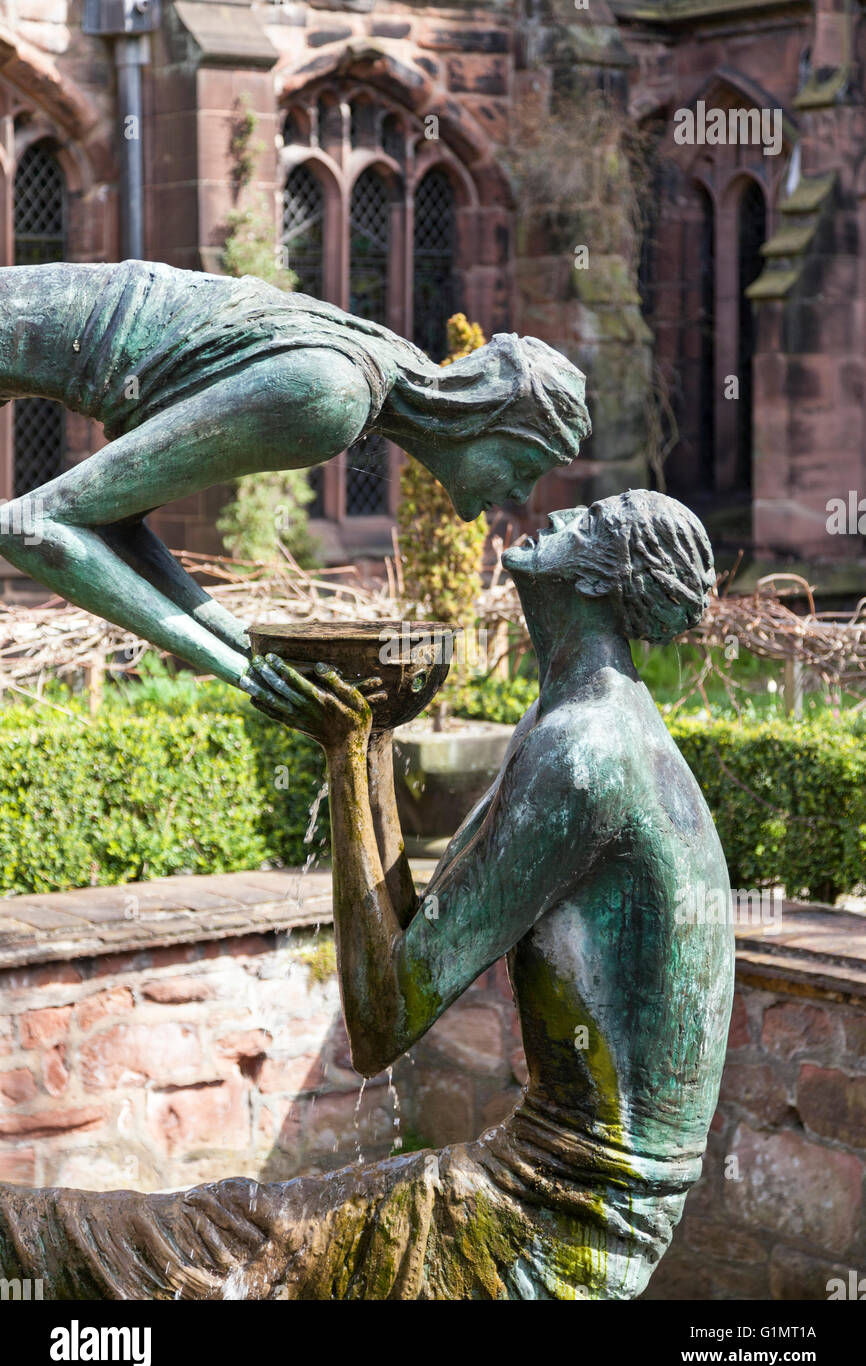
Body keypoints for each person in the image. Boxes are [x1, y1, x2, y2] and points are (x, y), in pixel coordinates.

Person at [0, 490, 734, 1300]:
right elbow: (415, 940)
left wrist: (351, 755)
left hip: (572, 1218)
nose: (563, 515)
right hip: (555, 1180)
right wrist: (366, 740)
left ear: (606, 579)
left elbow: (382, 1021)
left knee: (202, 1247)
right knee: (213, 1230)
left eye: (595, 522)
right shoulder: (564, 720)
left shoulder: (590, 753)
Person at [0, 260, 590, 701]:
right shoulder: (333, 397)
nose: (520, 497)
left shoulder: (363, 373)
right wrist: (245, 675)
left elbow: (111, 525)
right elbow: (34, 526)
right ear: (483, 420)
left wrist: (252, 651)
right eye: (525, 468)